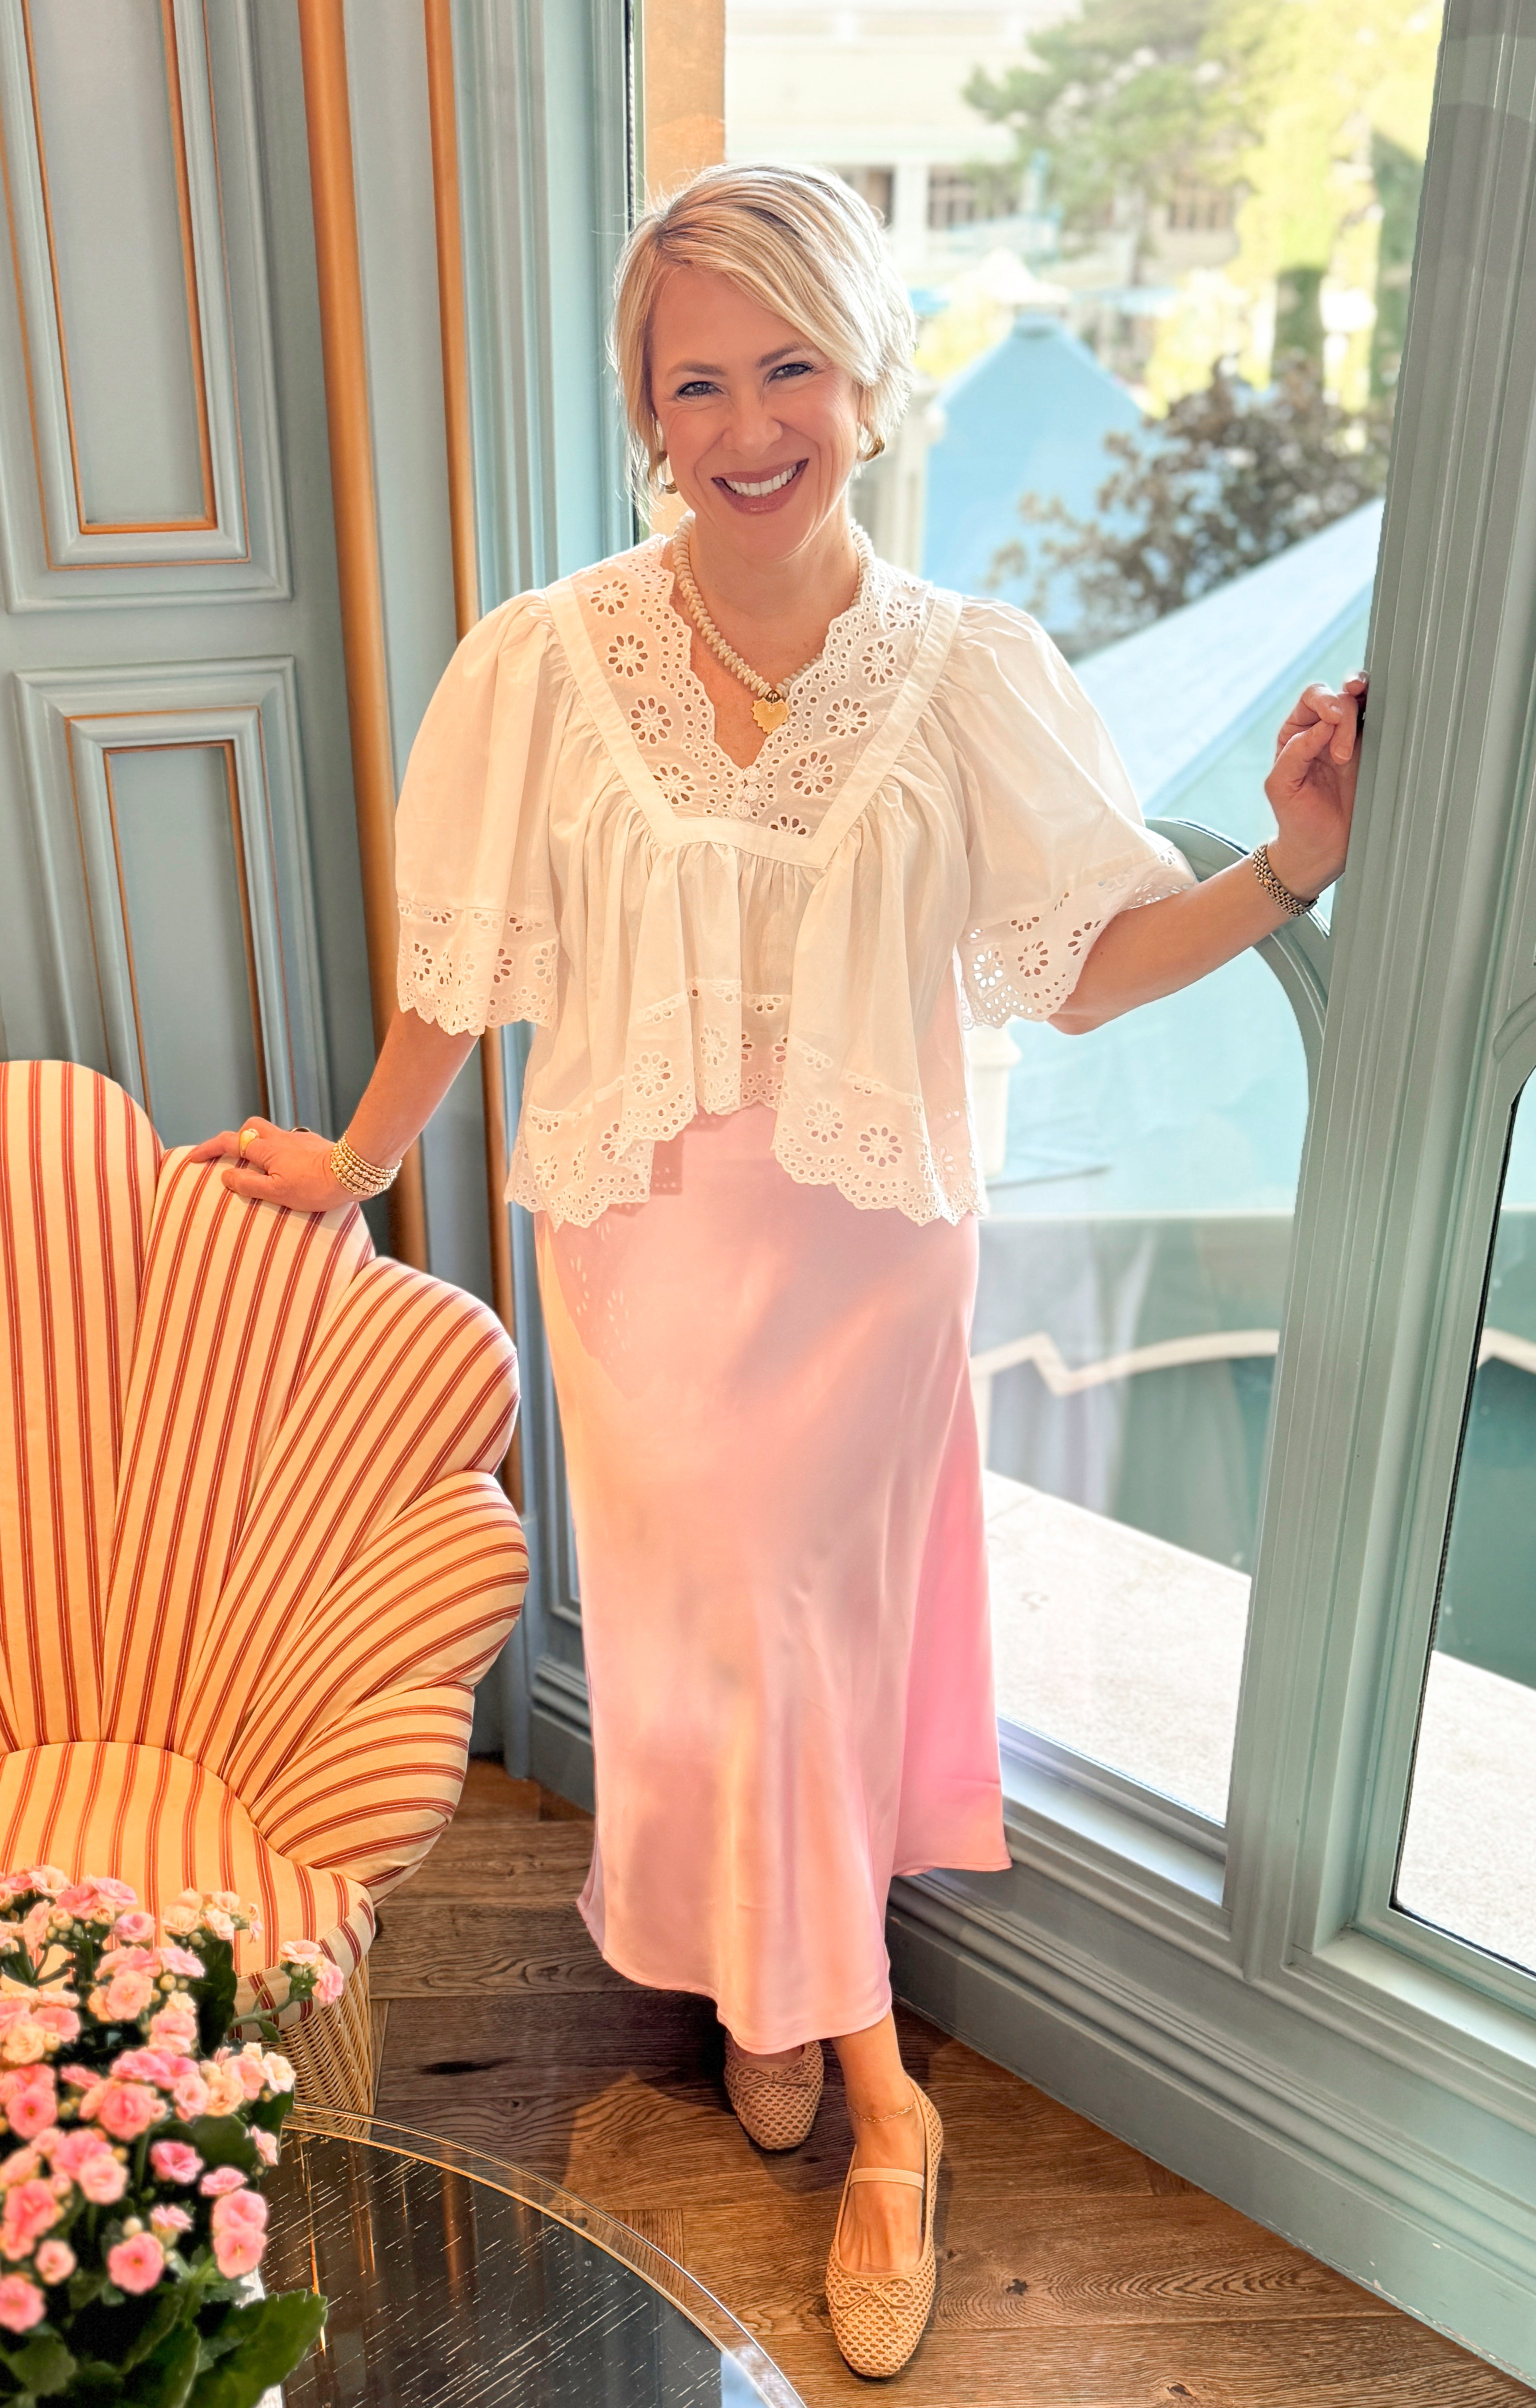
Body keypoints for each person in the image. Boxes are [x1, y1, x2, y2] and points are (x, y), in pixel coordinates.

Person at [194, 164, 1363, 2378]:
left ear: (865, 371)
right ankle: (801, 2005)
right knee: (708, 1641)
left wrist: (1286, 873)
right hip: (640, 1249)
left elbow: (1081, 960)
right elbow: (462, 969)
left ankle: (875, 2093)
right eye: (695, 381)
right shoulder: (544, 661)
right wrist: (351, 1156)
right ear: (647, 411)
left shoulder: (965, 673)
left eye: (787, 365)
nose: (747, 424)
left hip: (858, 1255)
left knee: (804, 1630)